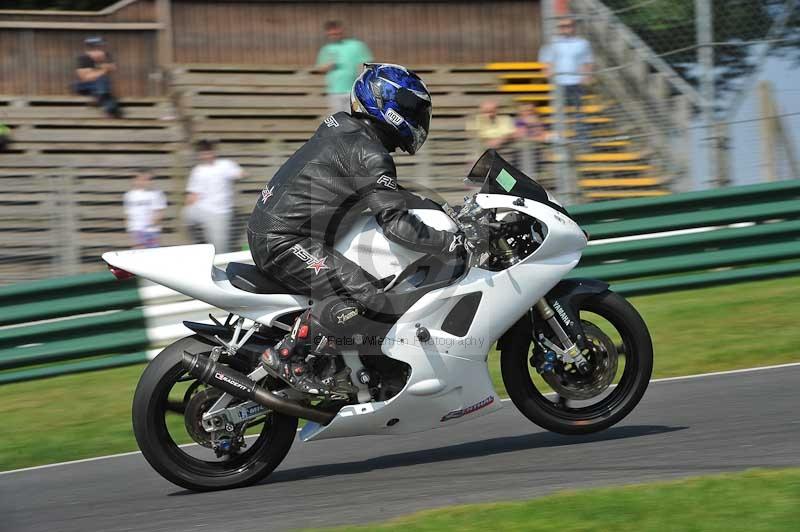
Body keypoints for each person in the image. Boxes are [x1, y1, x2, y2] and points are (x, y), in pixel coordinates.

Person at [247, 63, 483, 395]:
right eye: (413, 109)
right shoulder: (369, 152)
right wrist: (450, 242)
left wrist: (447, 212)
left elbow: (387, 195)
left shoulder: (346, 130)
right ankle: (288, 355)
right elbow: (397, 225)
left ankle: (348, 362)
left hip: (282, 230)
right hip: (283, 240)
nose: (419, 118)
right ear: (388, 104)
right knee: (365, 294)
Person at [184, 140, 243, 253]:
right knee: (186, 213)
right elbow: (193, 194)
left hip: (220, 213)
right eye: (203, 153)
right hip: (203, 209)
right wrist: (189, 204)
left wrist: (240, 176)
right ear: (199, 155)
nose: (206, 156)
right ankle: (198, 244)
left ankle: (220, 260)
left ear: (213, 152)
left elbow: (240, 173)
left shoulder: (225, 165)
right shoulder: (197, 171)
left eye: (208, 152)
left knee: (220, 248)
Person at [538, 18, 593, 140]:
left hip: (576, 82)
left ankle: (582, 139)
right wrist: (547, 73)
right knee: (558, 111)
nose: (565, 29)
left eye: (568, 26)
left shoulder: (582, 43)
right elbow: (545, 60)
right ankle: (559, 138)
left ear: (573, 27)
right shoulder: (553, 43)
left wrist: (587, 76)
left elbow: (587, 61)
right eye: (562, 26)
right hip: (559, 83)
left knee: (578, 111)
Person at [313, 20, 373, 114]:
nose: (334, 35)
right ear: (327, 34)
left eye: (337, 33)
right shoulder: (326, 49)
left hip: (354, 90)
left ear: (341, 31)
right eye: (332, 34)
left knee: (354, 118)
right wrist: (328, 66)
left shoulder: (356, 46)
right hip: (335, 92)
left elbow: (366, 63)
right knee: (338, 118)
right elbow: (320, 68)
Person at [74, 36, 123, 118]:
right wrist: (103, 70)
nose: (101, 49)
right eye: (98, 47)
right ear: (91, 49)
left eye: (101, 47)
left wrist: (100, 69)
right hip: (85, 86)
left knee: (103, 84)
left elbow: (114, 68)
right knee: (102, 81)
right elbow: (86, 77)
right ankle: (105, 102)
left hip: (100, 87)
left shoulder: (106, 56)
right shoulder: (84, 58)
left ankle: (100, 99)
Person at [123, 170, 167, 248]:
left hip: (152, 231)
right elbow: (127, 213)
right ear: (135, 181)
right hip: (136, 230)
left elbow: (160, 212)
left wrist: (153, 224)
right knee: (138, 251)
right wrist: (129, 229)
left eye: (149, 180)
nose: (145, 182)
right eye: (142, 180)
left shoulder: (157, 194)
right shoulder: (129, 195)